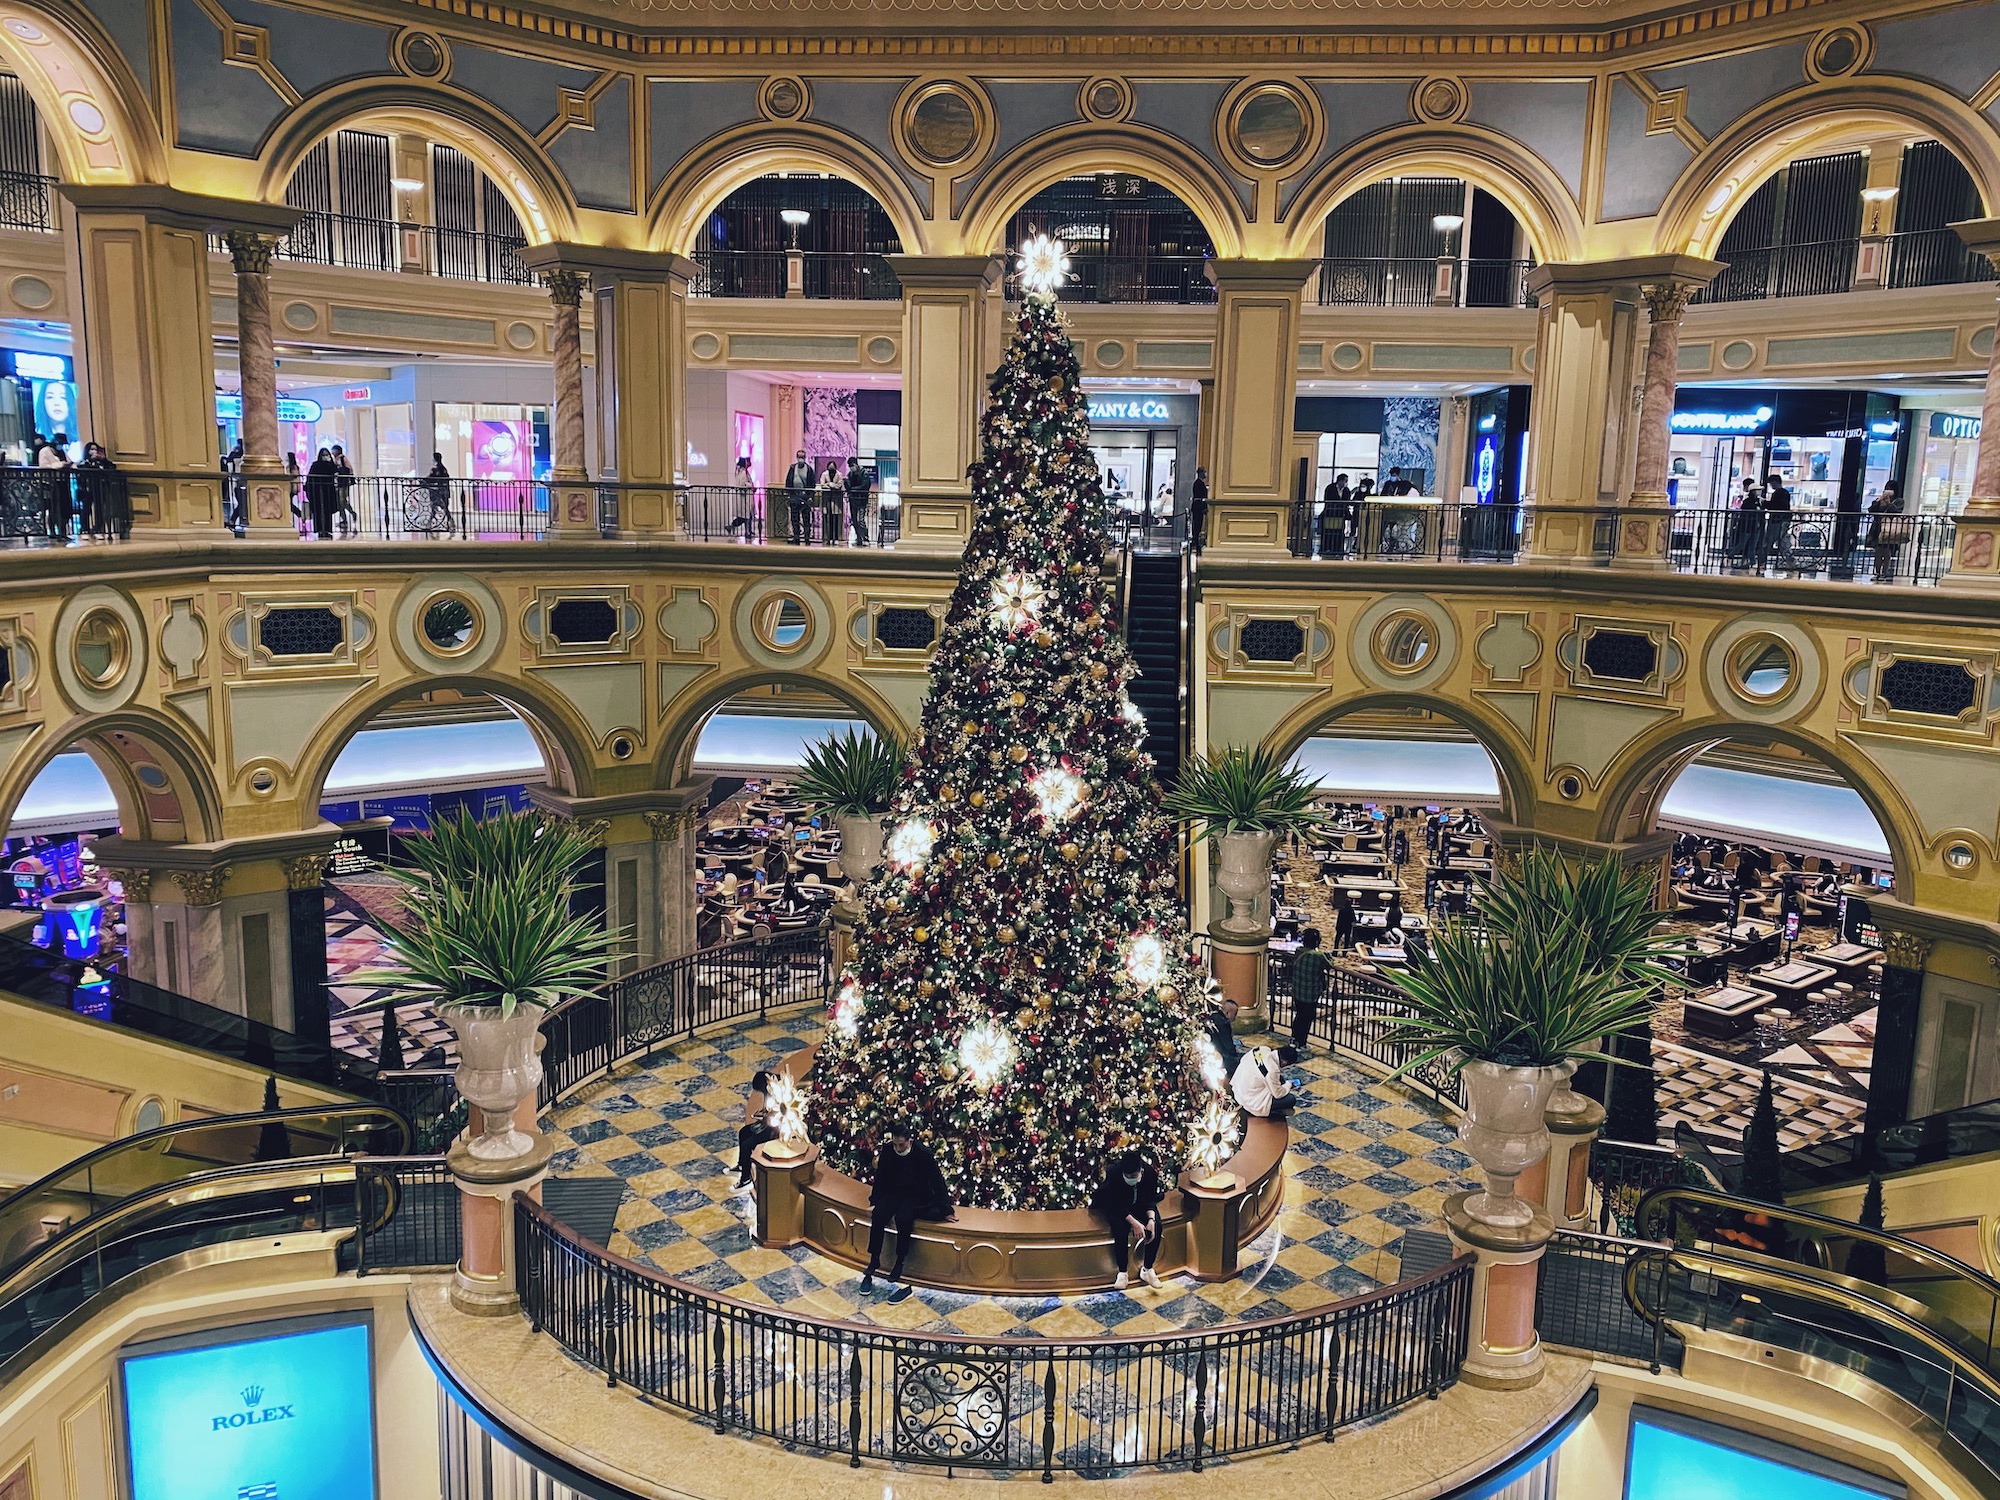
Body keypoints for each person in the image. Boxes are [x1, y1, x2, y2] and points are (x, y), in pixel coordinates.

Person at [859, 1120, 951, 1293]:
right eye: (895, 1144)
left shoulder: (923, 1154)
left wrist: (946, 1209)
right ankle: (874, 1259)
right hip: (893, 1193)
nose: (897, 1148)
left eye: (900, 1145)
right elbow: (881, 1177)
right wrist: (874, 1201)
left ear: (909, 1141)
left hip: (915, 1195)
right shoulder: (888, 1150)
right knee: (878, 1215)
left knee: (904, 1218)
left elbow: (937, 1181)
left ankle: (899, 1261)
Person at [1092, 1150, 1164, 1290]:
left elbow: (1149, 1200)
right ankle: (1123, 1272)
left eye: (1133, 1176)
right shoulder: (1113, 1172)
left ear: (1141, 1171)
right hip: (1117, 1206)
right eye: (1128, 1176)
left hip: (1140, 1204)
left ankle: (1148, 1269)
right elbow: (1113, 1203)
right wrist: (1134, 1223)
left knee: (1157, 1226)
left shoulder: (1149, 1173)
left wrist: (1151, 1220)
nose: (1130, 1178)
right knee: (1120, 1229)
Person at [734, 1070, 780, 1191]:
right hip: (765, 1124)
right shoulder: (768, 1093)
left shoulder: (779, 1094)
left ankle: (746, 1178)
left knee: (747, 1145)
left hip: (773, 1131)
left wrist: (766, 1117)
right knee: (743, 1132)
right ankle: (741, 1165)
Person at [74, 442, 127, 539]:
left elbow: (111, 467)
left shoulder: (101, 462)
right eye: (91, 449)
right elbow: (80, 472)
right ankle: (84, 529)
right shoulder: (83, 463)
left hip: (99, 488)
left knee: (99, 510)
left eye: (95, 449)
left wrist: (103, 460)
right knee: (86, 509)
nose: (94, 451)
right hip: (86, 489)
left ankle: (98, 529)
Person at [1289, 927, 1330, 1052]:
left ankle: (1294, 1039)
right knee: (1307, 1018)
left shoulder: (1298, 951)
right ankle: (1301, 1043)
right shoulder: (1318, 956)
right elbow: (1330, 965)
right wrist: (1327, 954)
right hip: (1310, 994)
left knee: (1299, 1016)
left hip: (1297, 990)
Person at [1232, 1045, 1294, 1119]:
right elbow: (1278, 1094)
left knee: (1280, 1079)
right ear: (1284, 1062)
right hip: (1250, 1102)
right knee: (1291, 1099)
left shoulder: (1260, 1049)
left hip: (1238, 1090)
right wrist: (1289, 1085)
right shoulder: (1273, 1070)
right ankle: (1274, 1112)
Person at [1866, 481, 1905, 583]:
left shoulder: (1899, 501)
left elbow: (1896, 512)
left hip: (1890, 528)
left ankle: (1884, 573)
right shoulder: (1881, 500)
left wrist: (1889, 503)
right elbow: (1871, 510)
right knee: (1878, 552)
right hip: (1878, 528)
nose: (1888, 491)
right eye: (1887, 488)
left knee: (1887, 552)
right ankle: (1877, 572)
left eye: (1891, 489)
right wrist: (1878, 501)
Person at [38, 431, 70, 542]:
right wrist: (60, 465)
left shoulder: (62, 452)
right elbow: (43, 466)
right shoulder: (45, 451)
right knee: (53, 507)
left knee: (65, 507)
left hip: (63, 482)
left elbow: (69, 461)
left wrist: (69, 465)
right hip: (50, 483)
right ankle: (53, 531)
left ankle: (63, 531)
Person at [304, 446, 339, 539]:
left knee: (327, 510)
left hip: (328, 490)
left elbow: (335, 471)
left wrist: (331, 463)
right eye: (323, 455)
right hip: (317, 490)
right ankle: (319, 529)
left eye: (326, 455)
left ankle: (327, 529)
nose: (325, 456)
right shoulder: (316, 465)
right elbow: (310, 477)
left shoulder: (331, 465)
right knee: (318, 510)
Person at [783, 449, 816, 544]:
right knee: (795, 518)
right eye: (799, 457)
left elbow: (812, 483)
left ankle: (807, 538)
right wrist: (789, 494)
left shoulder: (809, 469)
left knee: (806, 519)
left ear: (805, 458)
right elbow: (788, 481)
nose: (800, 459)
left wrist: (810, 496)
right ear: (797, 458)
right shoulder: (793, 468)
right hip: (794, 497)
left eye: (802, 457)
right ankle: (796, 537)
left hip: (805, 497)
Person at [1318, 472, 1351, 559]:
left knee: (1340, 532)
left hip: (1340, 515)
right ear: (1340, 481)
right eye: (1345, 481)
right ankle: (1326, 548)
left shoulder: (1346, 490)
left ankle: (1338, 549)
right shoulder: (1330, 488)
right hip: (1330, 513)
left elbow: (1347, 502)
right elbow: (1327, 500)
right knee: (1328, 531)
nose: (1346, 483)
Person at [843, 456, 873, 547]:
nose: (851, 467)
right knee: (854, 521)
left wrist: (853, 489)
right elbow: (848, 488)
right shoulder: (850, 475)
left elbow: (865, 486)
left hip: (862, 500)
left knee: (861, 520)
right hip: (853, 500)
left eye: (852, 465)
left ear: (856, 464)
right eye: (850, 466)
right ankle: (859, 538)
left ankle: (865, 538)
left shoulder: (864, 473)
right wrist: (846, 482)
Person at [330, 444, 358, 535]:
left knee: (342, 500)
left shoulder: (342, 459)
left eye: (334, 450)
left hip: (344, 483)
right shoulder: (335, 460)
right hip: (338, 483)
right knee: (339, 501)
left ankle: (351, 513)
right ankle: (344, 519)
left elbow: (349, 469)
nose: (332, 452)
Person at [819, 460, 845, 543]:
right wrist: (830, 485)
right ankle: (828, 538)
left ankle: (836, 538)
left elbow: (839, 485)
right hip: (827, 499)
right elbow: (822, 484)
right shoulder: (824, 474)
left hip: (836, 499)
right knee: (827, 519)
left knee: (836, 519)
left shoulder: (839, 474)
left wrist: (830, 485)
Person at [224, 438, 246, 532]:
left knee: (242, 504)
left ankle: (233, 520)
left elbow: (229, 459)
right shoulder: (240, 457)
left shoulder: (238, 457)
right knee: (242, 504)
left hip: (239, 481)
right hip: (240, 481)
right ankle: (234, 520)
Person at [1188, 466, 1209, 554]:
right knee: (1197, 526)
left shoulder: (1199, 483)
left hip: (1198, 507)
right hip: (1198, 508)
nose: (1206, 474)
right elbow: (1200, 497)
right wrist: (1203, 508)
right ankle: (1196, 544)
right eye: (1204, 472)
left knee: (1198, 526)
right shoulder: (1198, 483)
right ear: (1201, 473)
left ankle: (1196, 543)